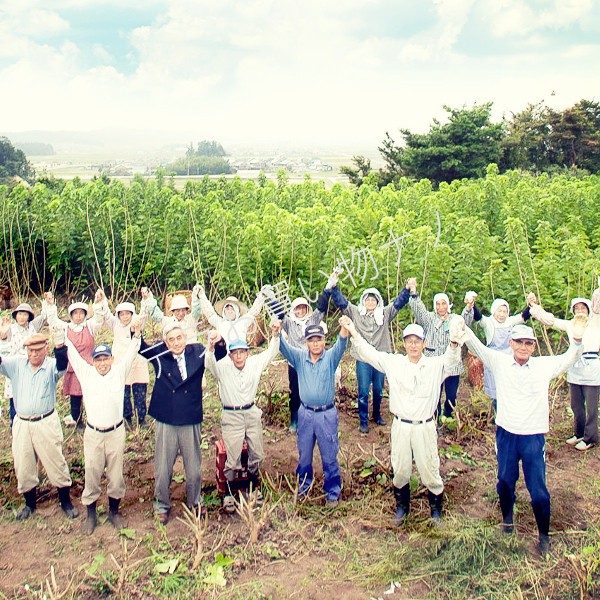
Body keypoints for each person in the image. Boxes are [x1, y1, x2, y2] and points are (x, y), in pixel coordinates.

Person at [462, 319, 587, 555]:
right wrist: (463, 327)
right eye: (518, 341)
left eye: (528, 343)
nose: (522, 346)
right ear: (510, 343)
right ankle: (507, 522)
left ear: (534, 346)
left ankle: (544, 537)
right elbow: (477, 346)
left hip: (533, 437)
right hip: (507, 434)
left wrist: (578, 340)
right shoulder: (499, 362)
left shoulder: (543, 366)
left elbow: (570, 357)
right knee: (505, 481)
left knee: (538, 489)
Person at [341, 315, 465, 525]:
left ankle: (435, 512)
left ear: (424, 344)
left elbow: (451, 360)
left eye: (417, 341)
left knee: (430, 469)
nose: (413, 345)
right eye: (409, 341)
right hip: (400, 426)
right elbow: (369, 353)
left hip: (424, 426)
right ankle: (402, 509)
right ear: (404, 343)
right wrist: (353, 330)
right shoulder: (394, 362)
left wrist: (453, 342)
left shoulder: (435, 365)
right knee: (400, 469)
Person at [138, 322, 227, 524]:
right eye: (171, 339)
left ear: (185, 338)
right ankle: (161, 504)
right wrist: (135, 329)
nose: (176, 343)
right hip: (166, 418)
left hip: (190, 416)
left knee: (194, 466)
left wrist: (219, 341)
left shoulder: (197, 352)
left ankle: (195, 501)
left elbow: (220, 357)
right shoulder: (160, 355)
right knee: (163, 467)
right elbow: (141, 348)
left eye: (179, 338)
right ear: (165, 342)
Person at [65, 319, 142, 534]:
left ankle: (113, 512)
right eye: (98, 359)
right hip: (93, 434)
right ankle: (91, 515)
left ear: (111, 359)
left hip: (116, 432)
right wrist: (61, 333)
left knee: (116, 475)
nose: (102, 363)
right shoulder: (86, 373)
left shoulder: (119, 372)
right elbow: (71, 351)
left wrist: (136, 335)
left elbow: (132, 351)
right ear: (93, 361)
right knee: (92, 472)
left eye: (105, 359)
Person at [0, 331, 78, 521]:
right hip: (22, 423)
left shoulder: (51, 365)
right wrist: (2, 338)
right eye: (30, 351)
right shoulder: (17, 364)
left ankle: (65, 502)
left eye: (37, 350)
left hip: (45, 421)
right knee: (23, 463)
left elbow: (62, 366)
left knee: (55, 461)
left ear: (45, 349)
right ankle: (29, 504)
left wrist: (60, 348)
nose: (33, 354)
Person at [205, 321, 281, 513]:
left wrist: (275, 334)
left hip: (251, 412)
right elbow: (209, 362)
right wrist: (211, 346)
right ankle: (229, 493)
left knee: (257, 453)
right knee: (233, 456)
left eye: (242, 352)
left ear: (247, 353)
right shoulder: (222, 367)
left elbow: (271, 352)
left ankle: (253, 488)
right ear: (230, 355)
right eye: (235, 353)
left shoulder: (254, 364)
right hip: (231, 415)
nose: (239, 357)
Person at [327, 271, 409, 433]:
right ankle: (363, 420)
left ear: (378, 301)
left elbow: (399, 303)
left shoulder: (384, 313)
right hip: (363, 359)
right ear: (364, 301)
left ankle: (377, 415)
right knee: (363, 390)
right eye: (368, 299)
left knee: (378, 389)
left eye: (373, 299)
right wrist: (334, 285)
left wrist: (407, 289)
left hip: (380, 359)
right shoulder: (356, 312)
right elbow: (341, 302)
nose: (370, 302)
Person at [278, 320, 349, 506]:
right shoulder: (300, 358)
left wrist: (344, 326)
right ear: (306, 342)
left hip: (326, 414)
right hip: (306, 414)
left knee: (329, 455)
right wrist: (276, 332)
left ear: (324, 340)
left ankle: (333, 493)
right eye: (311, 340)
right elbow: (283, 348)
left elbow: (342, 343)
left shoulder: (331, 358)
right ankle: (303, 489)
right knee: (304, 455)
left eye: (319, 339)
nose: (315, 343)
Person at [529, 291, 600, 451]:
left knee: (591, 406)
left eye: (583, 308)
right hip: (575, 367)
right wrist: (534, 306)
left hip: (592, 368)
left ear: (589, 309)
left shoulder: (595, 322)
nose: (580, 311)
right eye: (577, 309)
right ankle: (579, 433)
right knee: (576, 404)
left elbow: (598, 302)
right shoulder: (570, 324)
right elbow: (550, 320)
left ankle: (590, 437)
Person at [270, 290, 330, 432]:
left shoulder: (312, 321)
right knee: (295, 391)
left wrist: (328, 289)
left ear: (306, 309)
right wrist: (271, 297)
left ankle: (312, 418)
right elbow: (279, 312)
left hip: (312, 362)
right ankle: (294, 418)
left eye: (303, 308)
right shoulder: (289, 323)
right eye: (297, 308)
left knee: (312, 389)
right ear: (294, 310)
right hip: (295, 363)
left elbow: (321, 307)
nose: (300, 311)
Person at [461, 291, 533, 410]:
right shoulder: (489, 323)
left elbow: (523, 316)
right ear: (494, 311)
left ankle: (510, 411)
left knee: (509, 388)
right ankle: (497, 416)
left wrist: (531, 304)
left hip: (509, 360)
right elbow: (479, 317)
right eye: (499, 311)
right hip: (493, 361)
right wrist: (472, 304)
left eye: (504, 312)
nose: (502, 314)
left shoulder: (509, 322)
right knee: (497, 393)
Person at [45, 291, 105, 429]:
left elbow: (99, 318)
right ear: (71, 315)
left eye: (81, 313)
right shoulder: (66, 328)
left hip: (89, 365)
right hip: (73, 368)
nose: (78, 316)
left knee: (91, 393)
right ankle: (77, 420)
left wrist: (97, 302)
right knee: (75, 395)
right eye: (75, 313)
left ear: (85, 314)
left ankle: (94, 419)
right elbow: (53, 321)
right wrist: (50, 305)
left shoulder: (89, 326)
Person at [407, 278, 463, 420]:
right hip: (433, 363)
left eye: (443, 303)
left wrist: (469, 308)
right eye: (437, 304)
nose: (441, 307)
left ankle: (448, 417)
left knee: (451, 394)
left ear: (448, 305)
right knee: (434, 393)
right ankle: (435, 417)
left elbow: (465, 321)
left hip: (452, 366)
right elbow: (419, 311)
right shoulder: (430, 319)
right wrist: (413, 293)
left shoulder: (454, 319)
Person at [94, 291, 151, 428]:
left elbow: (144, 313)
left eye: (128, 313)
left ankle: (141, 418)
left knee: (139, 391)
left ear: (132, 314)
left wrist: (144, 299)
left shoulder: (137, 323)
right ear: (118, 315)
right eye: (122, 314)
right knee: (123, 393)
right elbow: (106, 314)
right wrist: (101, 301)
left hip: (137, 362)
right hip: (120, 363)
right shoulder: (115, 324)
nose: (125, 317)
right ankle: (126, 418)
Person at [0, 301, 48, 424]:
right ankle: (14, 423)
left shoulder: (32, 327)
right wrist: (3, 335)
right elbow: (4, 344)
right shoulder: (10, 328)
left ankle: (31, 420)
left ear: (29, 317)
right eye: (19, 314)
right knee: (15, 397)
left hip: (31, 366)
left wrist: (47, 303)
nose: (22, 317)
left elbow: (43, 317)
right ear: (15, 316)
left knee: (30, 394)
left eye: (25, 314)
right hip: (15, 367)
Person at [198, 285, 273, 349]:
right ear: (224, 311)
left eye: (232, 309)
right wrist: (201, 295)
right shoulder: (219, 321)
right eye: (227, 309)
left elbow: (253, 312)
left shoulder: (243, 322)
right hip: (222, 357)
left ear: (237, 311)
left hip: (239, 355)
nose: (230, 311)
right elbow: (209, 313)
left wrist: (262, 295)